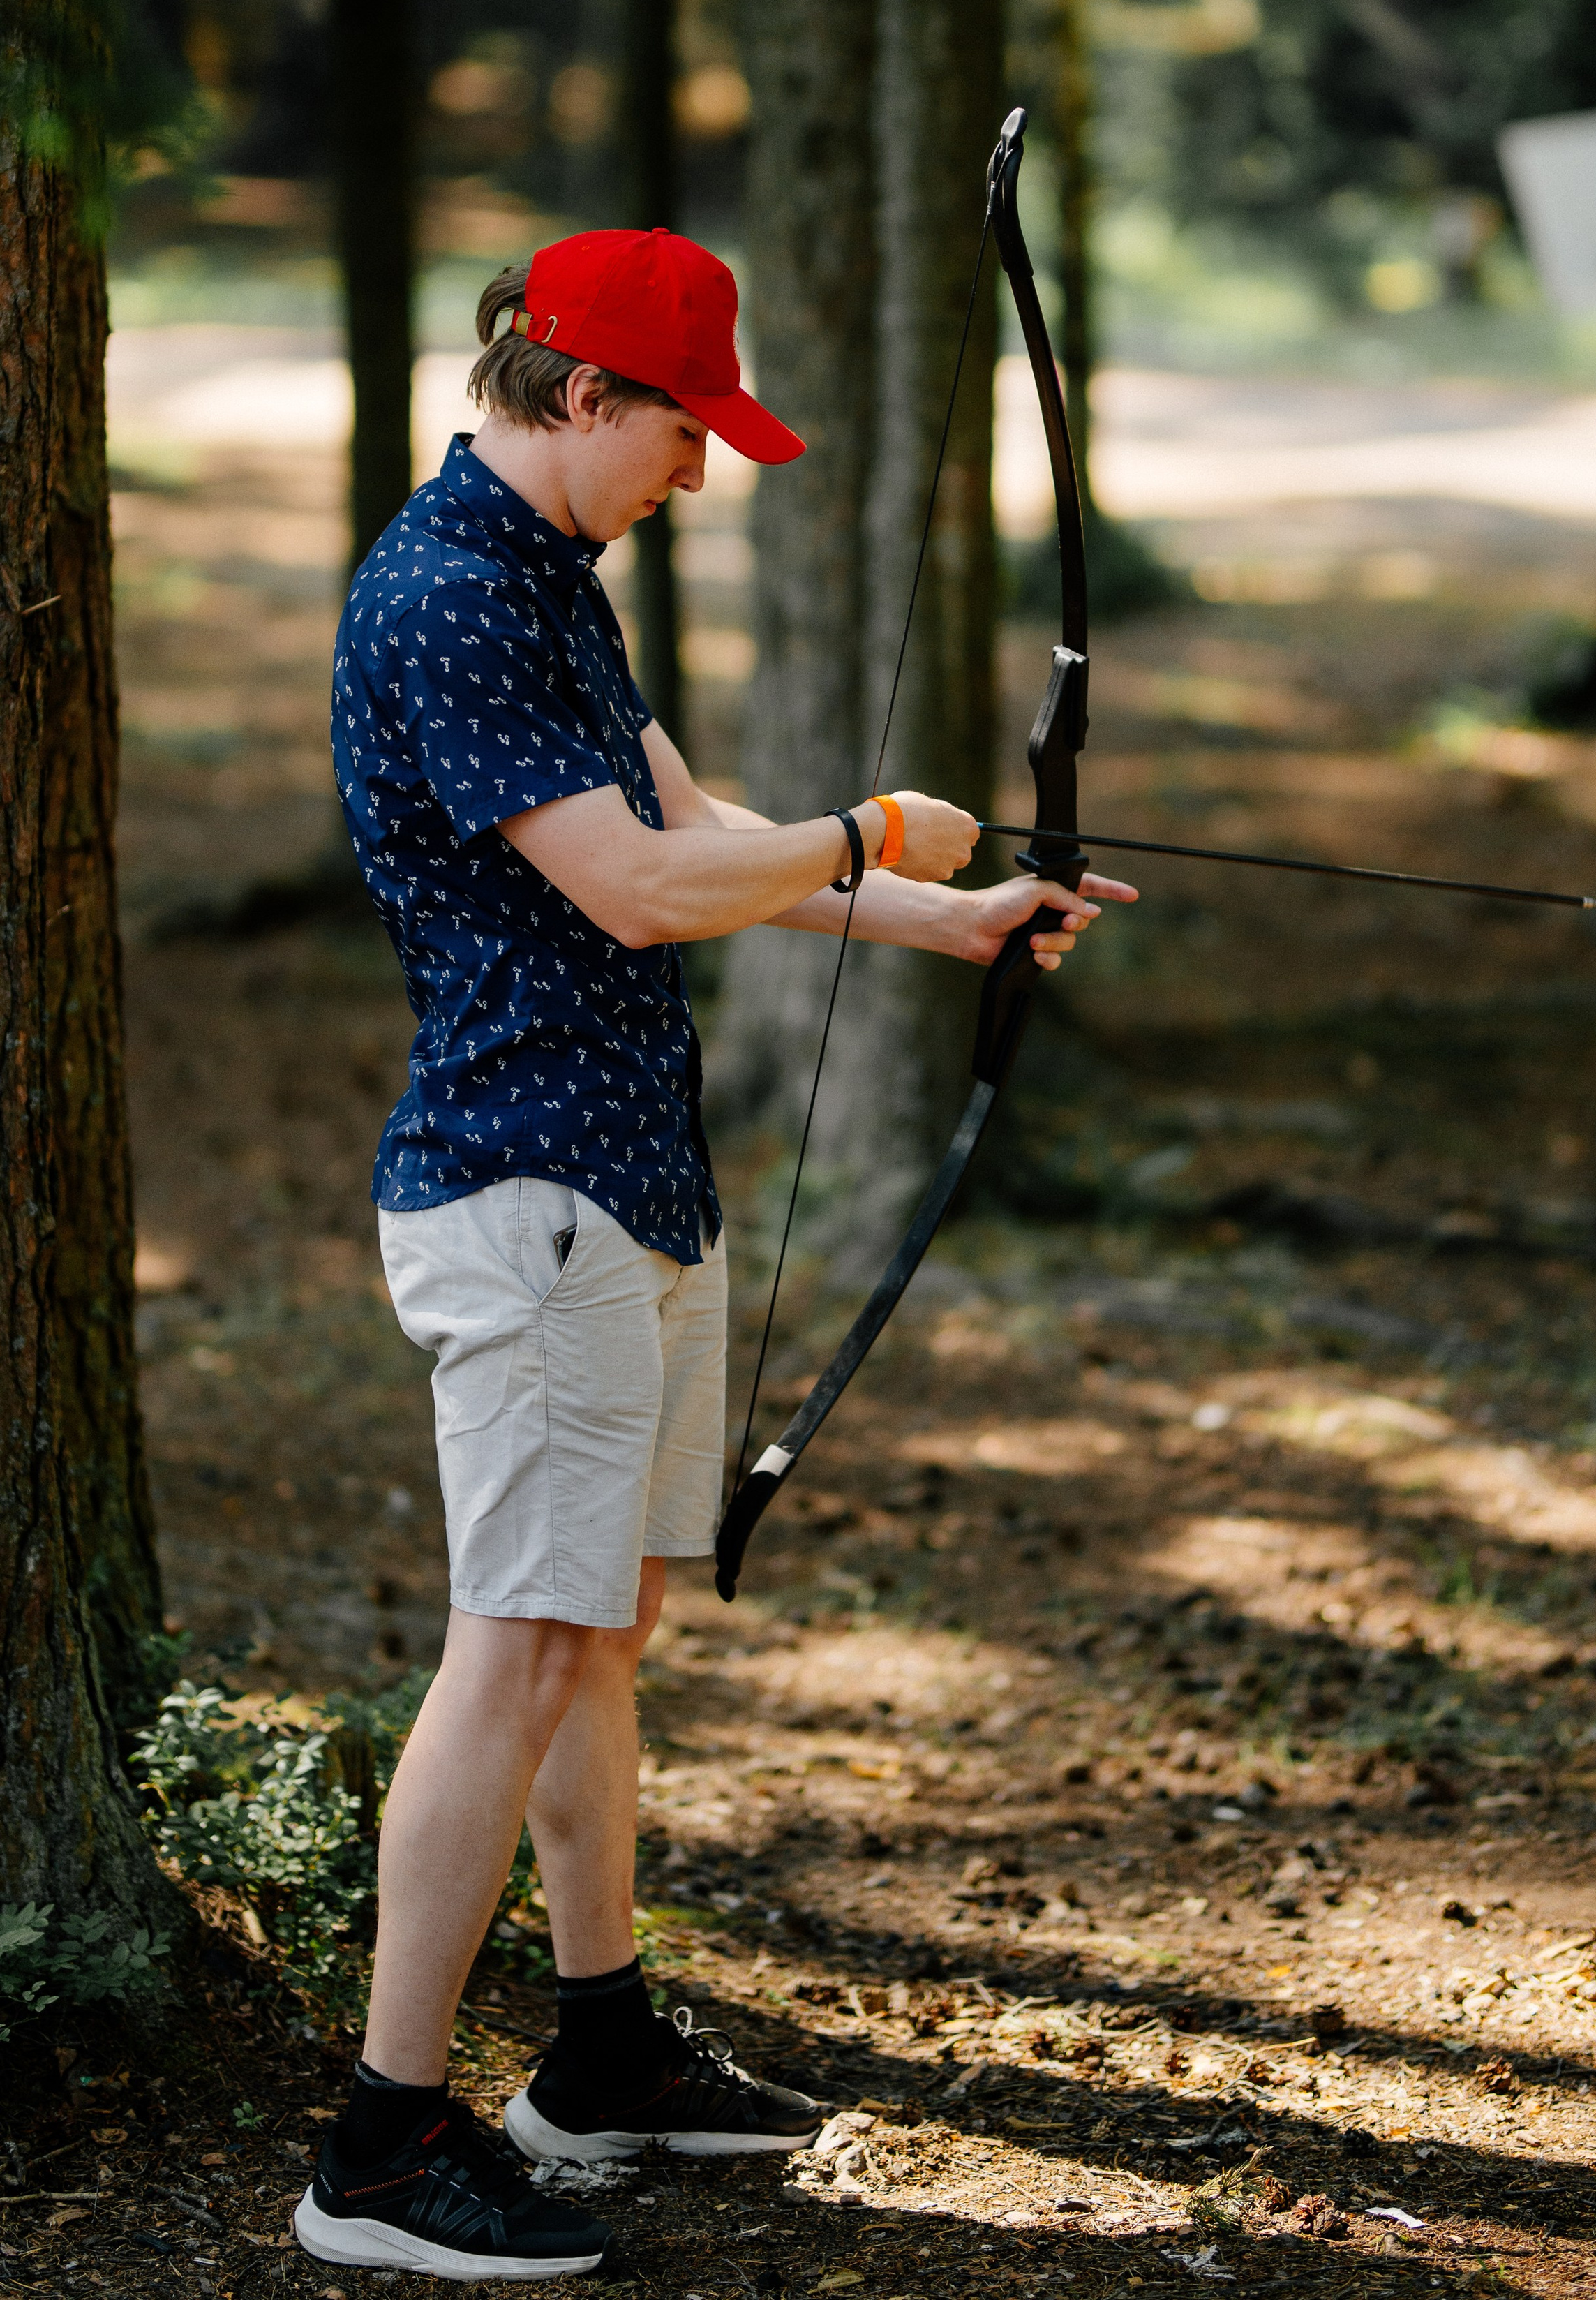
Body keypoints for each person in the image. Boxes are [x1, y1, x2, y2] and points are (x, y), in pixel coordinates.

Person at [296, 226, 1134, 2279]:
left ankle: (594, 2058)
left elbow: (693, 823)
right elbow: (648, 890)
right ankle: (379, 2153)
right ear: (585, 399)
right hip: (527, 1198)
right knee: (518, 1644)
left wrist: (949, 918)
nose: (702, 469)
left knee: (595, 1637)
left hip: (624, 1190)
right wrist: (864, 837)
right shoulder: (447, 599)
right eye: (685, 432)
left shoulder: (549, 579)